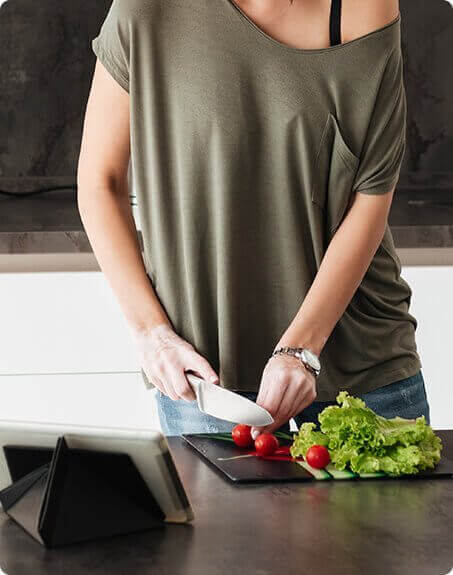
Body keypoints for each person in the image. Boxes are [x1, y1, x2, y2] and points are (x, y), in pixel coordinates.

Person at [78, 0, 430, 437]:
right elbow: (100, 181)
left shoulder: (364, 7)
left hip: (359, 359)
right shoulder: (147, 11)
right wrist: (153, 334)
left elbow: (371, 198)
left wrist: (302, 350)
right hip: (207, 373)